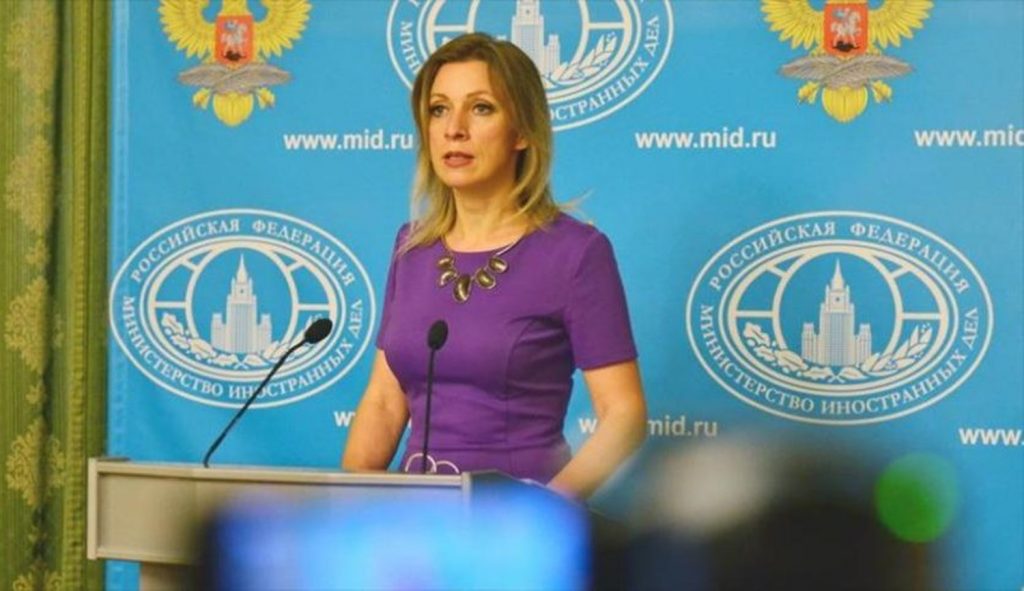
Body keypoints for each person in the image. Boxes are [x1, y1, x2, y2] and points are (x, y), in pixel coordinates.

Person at [341, 33, 646, 499]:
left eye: (481, 108)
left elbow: (624, 416)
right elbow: (384, 401)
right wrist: (352, 503)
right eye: (439, 109)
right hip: (412, 520)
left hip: (516, 517)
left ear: (522, 131)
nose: (454, 128)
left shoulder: (575, 252)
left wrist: (540, 516)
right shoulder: (412, 247)